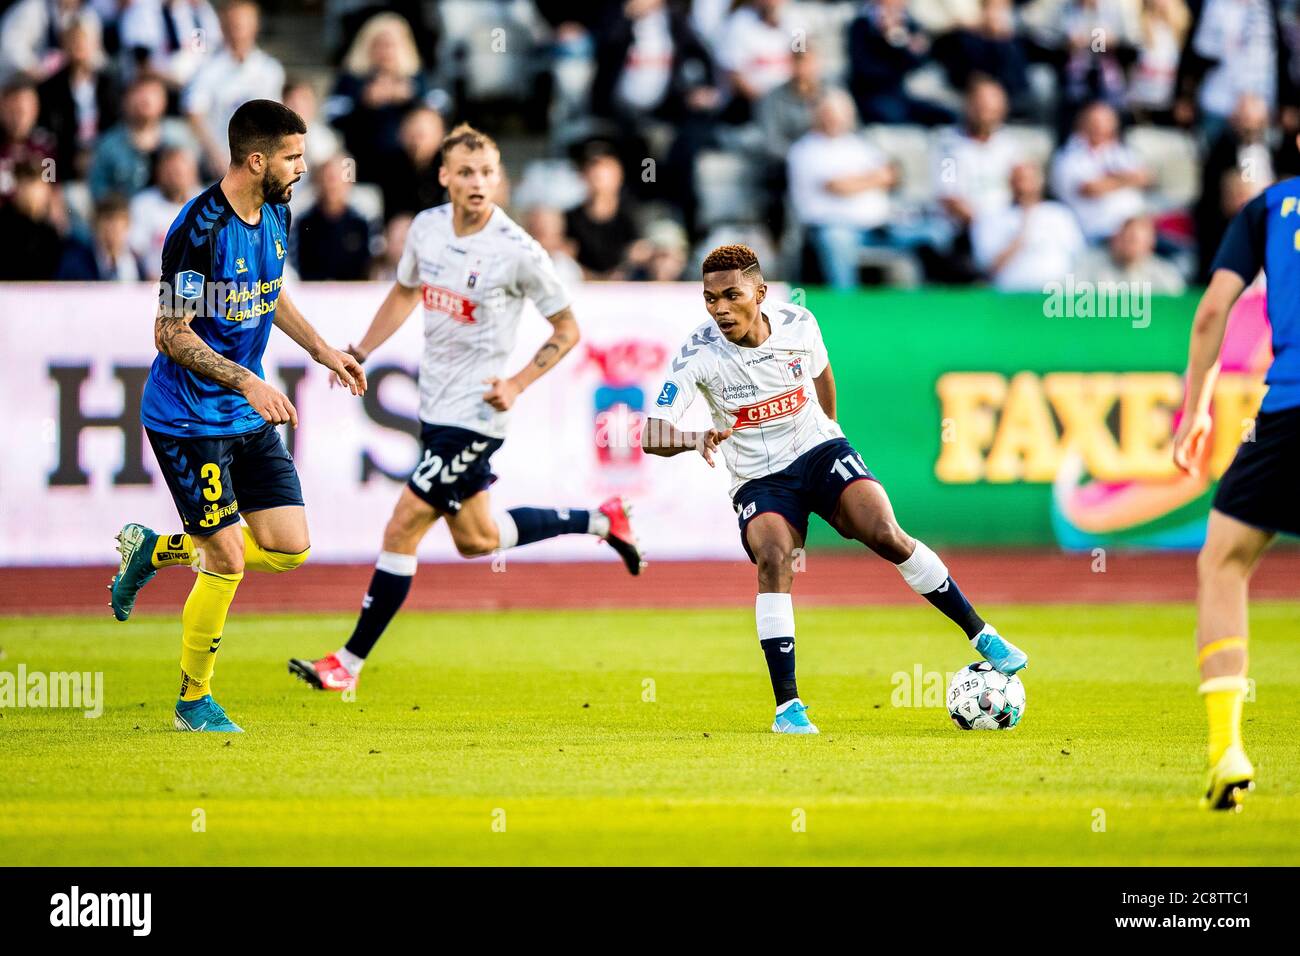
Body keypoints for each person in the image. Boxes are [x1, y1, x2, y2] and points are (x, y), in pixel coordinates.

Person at [286, 124, 645, 694]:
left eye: (488, 173)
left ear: (498, 178)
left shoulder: (518, 251)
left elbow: (568, 328)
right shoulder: (427, 230)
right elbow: (406, 291)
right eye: (467, 172)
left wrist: (520, 382)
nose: (479, 182)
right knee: (477, 540)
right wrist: (363, 349)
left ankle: (347, 664)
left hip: (477, 417)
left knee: (402, 525)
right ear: (445, 176)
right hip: (435, 408)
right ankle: (602, 520)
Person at [640, 243, 1028, 734]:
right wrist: (695, 438)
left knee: (885, 532)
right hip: (760, 477)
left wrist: (832, 429)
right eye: (709, 298)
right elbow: (651, 433)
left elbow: (822, 372)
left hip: (818, 450)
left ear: (759, 293)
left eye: (730, 295)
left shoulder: (799, 323)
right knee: (774, 557)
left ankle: (983, 635)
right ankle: (788, 708)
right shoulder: (699, 355)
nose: (719, 308)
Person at [106, 99, 368, 733]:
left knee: (288, 548)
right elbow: (170, 333)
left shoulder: (274, 211)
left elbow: (269, 293)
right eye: (293, 157)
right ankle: (193, 700)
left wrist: (323, 350)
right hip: (188, 419)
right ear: (257, 160)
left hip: (241, 416)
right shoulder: (197, 230)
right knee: (226, 559)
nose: (303, 168)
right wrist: (249, 380)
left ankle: (156, 548)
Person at [1170, 142, 1300, 811]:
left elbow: (1211, 312)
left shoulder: (1270, 208)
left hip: (1288, 414)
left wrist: (1196, 411)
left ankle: (1226, 749)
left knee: (1223, 564)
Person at [183, 0, 285, 175]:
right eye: (233, 24)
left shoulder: (271, 70)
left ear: (256, 26)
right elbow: (194, 114)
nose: (238, 30)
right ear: (223, 26)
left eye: (243, 24)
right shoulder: (206, 68)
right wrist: (216, 156)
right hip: (215, 164)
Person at [971, 161, 1084, 290]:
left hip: (1053, 297)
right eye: (1019, 180)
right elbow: (988, 267)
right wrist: (1020, 236)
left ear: (1040, 182)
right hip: (1009, 297)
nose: (1024, 186)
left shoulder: (1059, 215)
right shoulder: (992, 217)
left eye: (1029, 180)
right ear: (1010, 182)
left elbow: (1078, 256)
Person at [1050, 100, 1151, 243]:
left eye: (1107, 120)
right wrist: (1127, 178)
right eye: (1095, 121)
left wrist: (1109, 180)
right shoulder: (1067, 157)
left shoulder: (1122, 152)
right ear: (1081, 123)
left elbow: (1145, 178)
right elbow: (1091, 189)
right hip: (1099, 234)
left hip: (1138, 232)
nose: (1100, 126)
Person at [292, 153, 372, 280]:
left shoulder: (360, 224)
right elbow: (299, 265)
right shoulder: (305, 223)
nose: (332, 185)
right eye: (328, 178)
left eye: (336, 179)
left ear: (348, 183)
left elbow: (366, 267)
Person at [1073, 213, 1186, 293]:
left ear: (1149, 244)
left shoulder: (1165, 274)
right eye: (1123, 238)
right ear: (1114, 239)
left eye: (1133, 240)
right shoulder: (1090, 267)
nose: (1127, 245)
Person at [57, 193, 147, 280]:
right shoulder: (76, 264)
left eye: (117, 225)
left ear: (127, 225)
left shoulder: (137, 264)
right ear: (95, 225)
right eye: (107, 222)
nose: (112, 230)